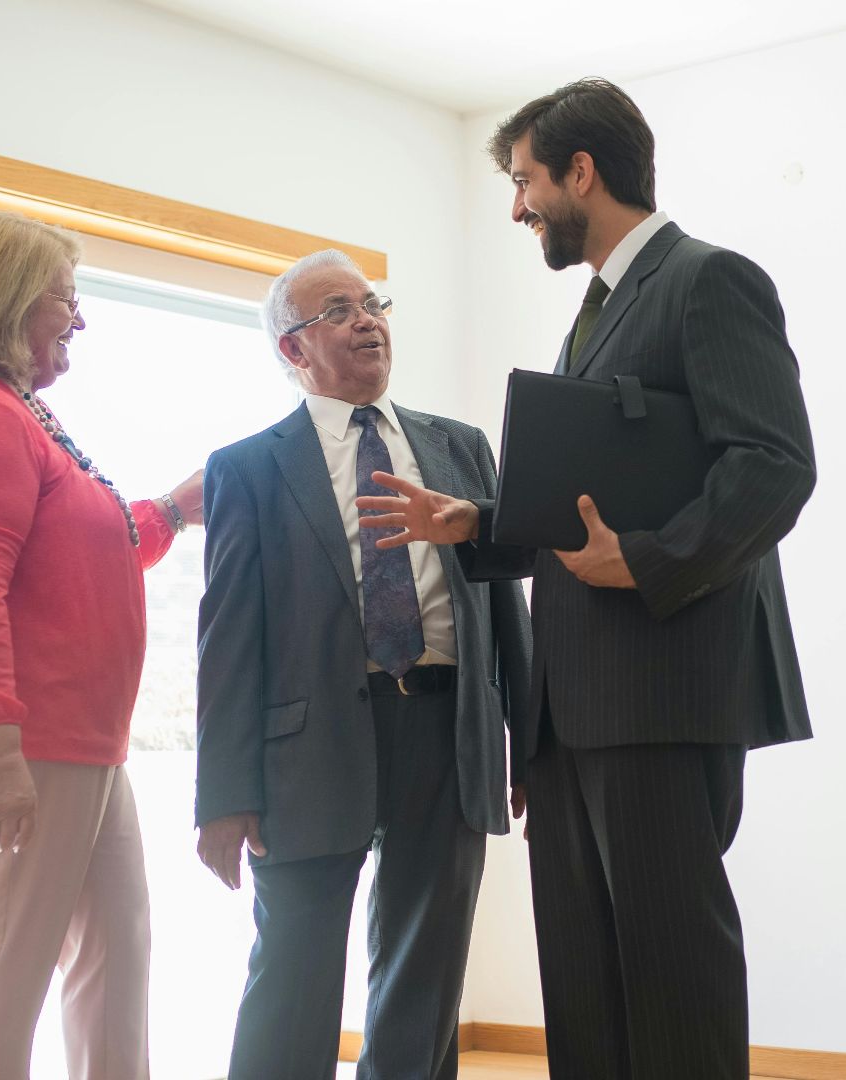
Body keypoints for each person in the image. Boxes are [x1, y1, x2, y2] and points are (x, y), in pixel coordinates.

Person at [357, 78, 816, 1079]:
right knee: (582, 980)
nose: (517, 207)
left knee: (672, 972)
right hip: (570, 709)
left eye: (525, 181)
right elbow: (588, 502)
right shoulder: (596, 313)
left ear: (581, 171)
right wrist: (477, 523)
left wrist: (643, 562)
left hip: (658, 694)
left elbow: (775, 468)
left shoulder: (709, 281)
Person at [193, 249, 531, 1080]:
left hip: (448, 731)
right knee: (293, 973)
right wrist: (224, 794)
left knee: (426, 972)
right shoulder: (249, 467)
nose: (366, 321)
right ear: (292, 348)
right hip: (307, 749)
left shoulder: (460, 447)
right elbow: (228, 639)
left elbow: (504, 604)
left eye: (372, 303)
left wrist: (530, 742)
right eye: (337, 311)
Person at [0, 209, 204, 1080]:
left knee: (116, 955)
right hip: (27, 740)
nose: (80, 318)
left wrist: (173, 510)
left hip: (83, 742)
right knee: (8, 962)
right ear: (5, 300)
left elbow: (88, 553)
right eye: (65, 298)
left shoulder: (18, 413)